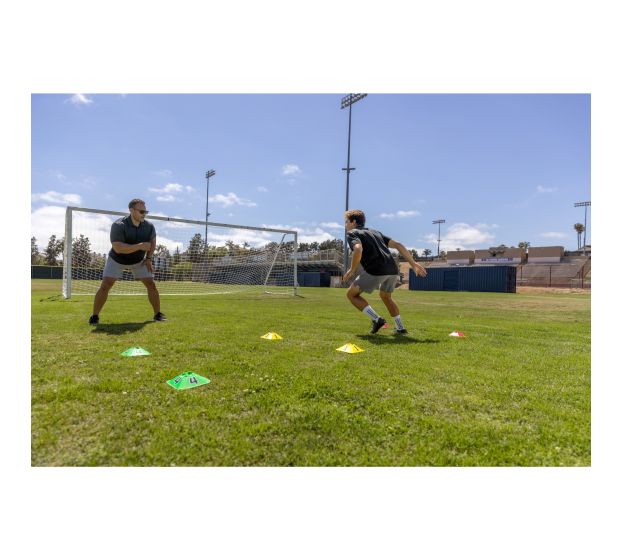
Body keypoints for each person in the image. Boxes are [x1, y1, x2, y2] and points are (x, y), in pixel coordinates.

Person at [343, 209, 427, 334]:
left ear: (353, 222)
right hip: (393, 269)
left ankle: (377, 319)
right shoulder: (375, 232)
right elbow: (398, 244)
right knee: (386, 296)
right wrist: (413, 263)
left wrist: (352, 269)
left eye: (346, 222)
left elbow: (358, 249)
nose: (345, 225)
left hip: (376, 269)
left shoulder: (353, 233)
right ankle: (400, 327)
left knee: (351, 294)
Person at [89, 199, 166, 324]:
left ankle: (157, 314)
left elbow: (153, 244)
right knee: (105, 285)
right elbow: (118, 248)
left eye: (145, 211)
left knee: (151, 284)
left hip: (139, 261)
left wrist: (148, 259)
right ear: (131, 210)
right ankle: (94, 316)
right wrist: (139, 246)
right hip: (117, 259)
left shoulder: (149, 226)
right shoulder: (119, 225)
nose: (144, 214)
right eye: (141, 211)